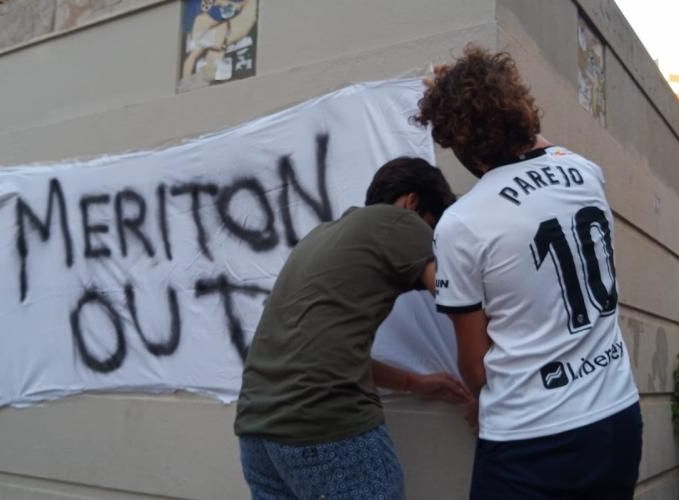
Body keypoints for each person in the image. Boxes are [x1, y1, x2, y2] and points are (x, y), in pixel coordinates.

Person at [416, 45, 643, 499]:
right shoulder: (586, 173)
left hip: (531, 441)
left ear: (460, 141)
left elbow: (474, 362)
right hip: (617, 420)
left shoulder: (462, 223)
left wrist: (483, 404)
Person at [234, 157, 472, 499]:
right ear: (412, 202)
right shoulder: (400, 221)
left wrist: (414, 383)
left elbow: (325, 352)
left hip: (258, 433)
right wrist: (485, 386)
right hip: (321, 425)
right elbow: (460, 301)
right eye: (433, 227)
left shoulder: (321, 235)